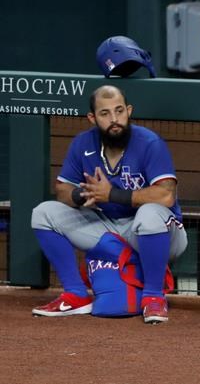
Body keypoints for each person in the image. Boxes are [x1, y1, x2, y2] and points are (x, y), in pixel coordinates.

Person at [31, 85, 187, 323]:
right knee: (43, 213)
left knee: (149, 214)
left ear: (129, 111)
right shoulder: (83, 143)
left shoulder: (149, 143)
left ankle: (154, 297)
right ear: (92, 117)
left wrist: (112, 194)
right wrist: (83, 195)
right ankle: (75, 294)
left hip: (160, 234)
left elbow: (166, 196)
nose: (114, 120)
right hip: (106, 227)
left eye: (119, 111)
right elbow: (62, 190)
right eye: (105, 114)